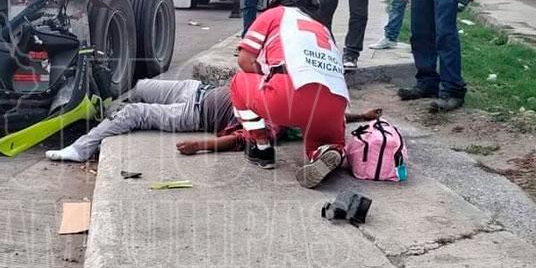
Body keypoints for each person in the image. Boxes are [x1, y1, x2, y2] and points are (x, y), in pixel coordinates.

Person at [44, 79, 380, 164]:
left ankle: (80, 148)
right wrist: (359, 116)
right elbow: (326, 113)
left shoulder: (273, 126)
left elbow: (238, 142)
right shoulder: (289, 99)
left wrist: (199, 146)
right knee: (141, 87)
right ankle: (104, 117)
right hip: (195, 89)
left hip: (195, 115)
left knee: (135, 114)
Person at [231, 0, 351, 189]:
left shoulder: (273, 15)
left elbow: (244, 60)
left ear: (277, 2)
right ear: (310, 6)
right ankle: (326, 150)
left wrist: (266, 80)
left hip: (288, 95)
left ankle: (261, 147)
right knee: (323, 135)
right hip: (335, 102)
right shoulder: (323, 28)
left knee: (237, 83)